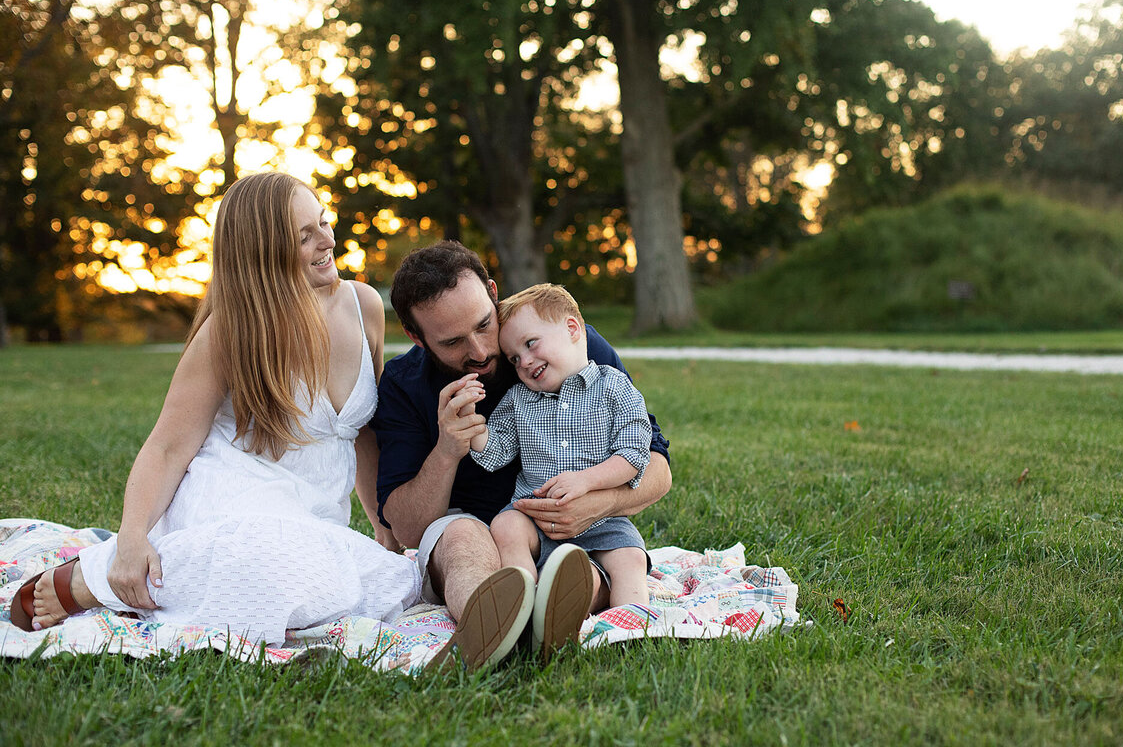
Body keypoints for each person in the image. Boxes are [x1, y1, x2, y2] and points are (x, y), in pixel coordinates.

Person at [10, 174, 526, 670]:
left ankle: (173, 572)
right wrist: (130, 539)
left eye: (323, 222)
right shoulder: (232, 329)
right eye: (306, 235)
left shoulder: (362, 305)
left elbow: (364, 434)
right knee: (261, 559)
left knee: (385, 584)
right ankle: (88, 578)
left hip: (314, 519)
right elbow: (168, 446)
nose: (327, 239)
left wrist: (381, 530)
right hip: (231, 502)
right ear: (266, 250)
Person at [373, 241, 671, 661]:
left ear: (493, 293)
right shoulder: (404, 385)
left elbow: (655, 466)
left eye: (483, 325)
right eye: (453, 342)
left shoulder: (561, 344)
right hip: (474, 524)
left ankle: (553, 612)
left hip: (572, 523)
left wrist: (592, 504)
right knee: (461, 540)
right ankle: (497, 627)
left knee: (574, 564)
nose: (479, 352)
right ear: (416, 338)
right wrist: (447, 449)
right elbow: (406, 528)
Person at [467, 284, 652, 645]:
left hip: (604, 519)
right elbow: (497, 451)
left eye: (530, 344)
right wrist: (475, 431)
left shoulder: (614, 386)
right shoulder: (518, 400)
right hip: (535, 516)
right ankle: (521, 600)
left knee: (629, 557)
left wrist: (587, 482)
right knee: (506, 524)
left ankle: (632, 628)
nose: (524, 361)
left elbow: (634, 451)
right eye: (514, 358)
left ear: (571, 329)